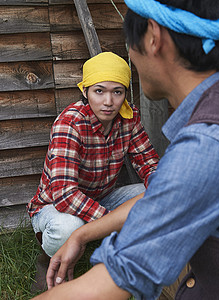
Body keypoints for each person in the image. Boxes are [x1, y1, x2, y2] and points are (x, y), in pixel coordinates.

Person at [33, 0, 219, 299]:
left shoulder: (207, 145)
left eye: (128, 44)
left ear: (152, 37)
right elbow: (160, 195)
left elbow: (112, 281)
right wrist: (83, 233)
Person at [27, 51, 159, 291]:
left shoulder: (129, 118)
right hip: (54, 206)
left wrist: (162, 193)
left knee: (154, 195)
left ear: (125, 94)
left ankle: (134, 256)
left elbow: (149, 164)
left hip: (100, 198)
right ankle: (49, 259)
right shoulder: (70, 124)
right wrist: (113, 221)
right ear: (85, 92)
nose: (108, 101)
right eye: (99, 91)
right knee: (69, 227)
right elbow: (65, 195)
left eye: (117, 92)